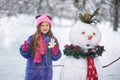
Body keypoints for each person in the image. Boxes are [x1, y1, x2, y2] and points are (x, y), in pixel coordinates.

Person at [19, 15, 62, 80]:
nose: (45, 27)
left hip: (46, 73)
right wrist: (24, 49)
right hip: (33, 71)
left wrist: (55, 52)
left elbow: (55, 58)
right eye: (42, 25)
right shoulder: (32, 38)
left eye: (47, 25)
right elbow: (26, 55)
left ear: (50, 27)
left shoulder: (52, 40)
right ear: (38, 27)